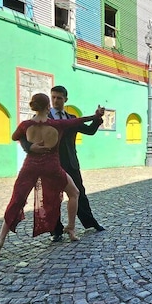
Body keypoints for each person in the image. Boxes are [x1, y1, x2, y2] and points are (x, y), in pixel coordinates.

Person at [0, 93, 104, 257]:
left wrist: (31, 145)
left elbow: (15, 136)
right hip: (52, 167)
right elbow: (78, 121)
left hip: (30, 167)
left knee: (16, 201)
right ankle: (71, 229)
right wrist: (96, 115)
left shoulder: (26, 124)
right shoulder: (57, 124)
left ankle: (1, 239)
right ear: (48, 107)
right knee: (75, 193)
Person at [48, 85, 105, 240]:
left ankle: (91, 223)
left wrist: (98, 118)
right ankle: (56, 231)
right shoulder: (45, 118)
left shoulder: (71, 119)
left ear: (65, 99)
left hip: (71, 164)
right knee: (53, 198)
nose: (55, 100)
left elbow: (90, 131)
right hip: (52, 165)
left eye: (59, 98)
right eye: (53, 97)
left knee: (80, 195)